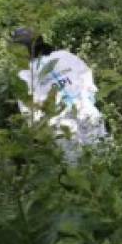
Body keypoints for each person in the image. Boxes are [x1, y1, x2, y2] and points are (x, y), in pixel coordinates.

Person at [11, 28, 108, 165]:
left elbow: (29, 111)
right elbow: (86, 75)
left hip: (61, 125)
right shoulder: (64, 56)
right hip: (85, 111)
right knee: (105, 155)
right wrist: (88, 98)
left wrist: (43, 129)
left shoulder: (25, 75)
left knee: (77, 166)